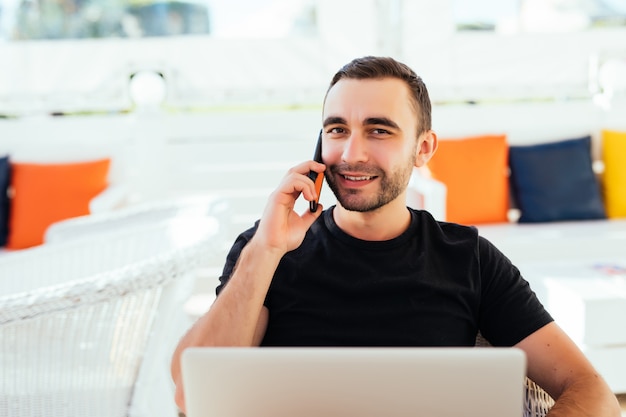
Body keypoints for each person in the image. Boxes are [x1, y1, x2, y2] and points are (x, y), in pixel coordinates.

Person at [171, 56, 620, 416]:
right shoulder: (267, 249)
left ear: (423, 148)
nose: (352, 154)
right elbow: (193, 396)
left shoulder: (468, 258)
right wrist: (267, 250)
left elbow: (592, 393)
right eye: (337, 130)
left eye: (378, 130)